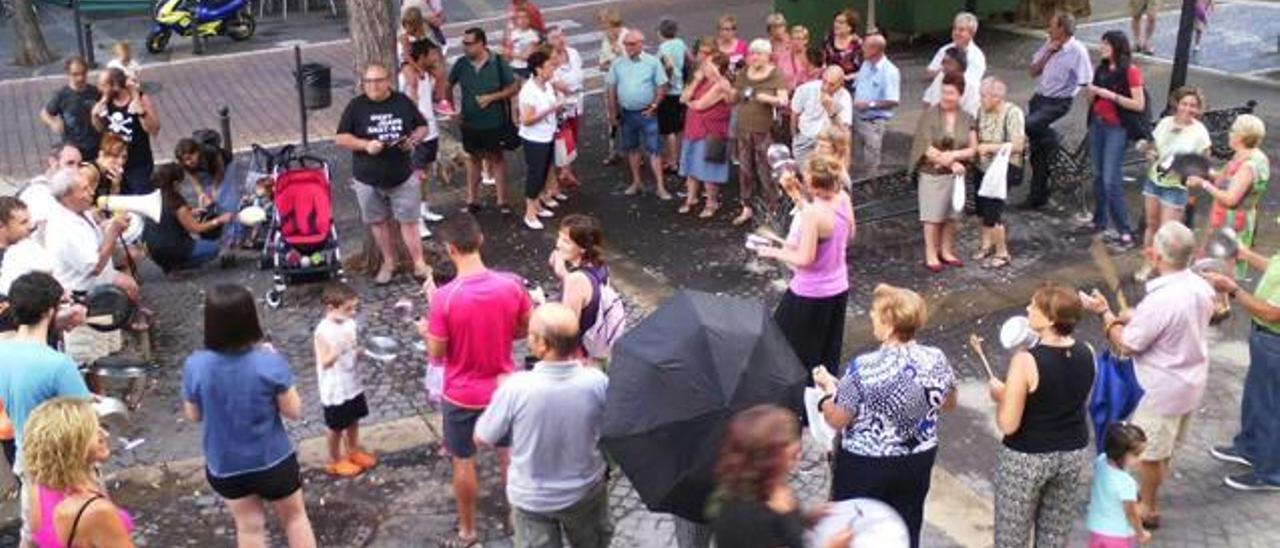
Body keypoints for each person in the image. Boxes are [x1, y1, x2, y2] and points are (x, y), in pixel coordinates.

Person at [1080, 221, 1216, 529]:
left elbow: (1126, 345)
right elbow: (1168, 325)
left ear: (1156, 256)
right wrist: (1135, 317)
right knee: (1163, 448)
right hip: (1189, 381)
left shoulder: (1162, 300)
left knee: (1151, 454)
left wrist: (1106, 315)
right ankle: (1146, 496)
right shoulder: (1200, 286)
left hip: (1160, 389)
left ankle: (1149, 507)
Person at [815, 283, 956, 548]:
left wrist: (826, 396)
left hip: (866, 464)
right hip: (917, 459)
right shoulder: (936, 358)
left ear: (890, 326)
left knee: (857, 531)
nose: (870, 315)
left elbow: (837, 419)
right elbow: (948, 403)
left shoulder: (863, 367)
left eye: (875, 312)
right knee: (905, 527)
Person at [422, 213, 533, 546]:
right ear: (480, 240)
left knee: (463, 459)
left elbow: (438, 353)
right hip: (503, 386)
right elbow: (524, 328)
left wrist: (428, 330)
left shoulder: (445, 297)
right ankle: (517, 519)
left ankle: (468, 531)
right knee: (509, 455)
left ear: (451, 249)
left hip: (461, 394)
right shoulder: (511, 285)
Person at [181, 284, 316, 548]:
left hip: (225, 466)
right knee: (295, 519)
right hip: (272, 460)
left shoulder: (195, 365)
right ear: (250, 319)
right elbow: (294, 410)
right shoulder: (268, 362)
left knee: (249, 528)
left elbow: (193, 415)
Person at [475, 303, 612, 548]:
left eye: (530, 335)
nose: (527, 339)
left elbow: (484, 436)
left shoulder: (516, 387)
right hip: (585, 490)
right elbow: (611, 423)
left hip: (532, 500)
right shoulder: (597, 382)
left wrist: (502, 397)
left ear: (543, 345)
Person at [988, 284, 1095, 548]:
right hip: (1072, 451)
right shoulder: (1088, 351)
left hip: (1027, 456)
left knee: (1012, 536)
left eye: (1033, 306)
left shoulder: (1026, 361)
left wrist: (1001, 397)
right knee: (1054, 537)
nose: (1027, 309)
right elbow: (1074, 398)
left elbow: (1009, 424)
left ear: (1049, 319)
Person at [755, 156, 854, 382]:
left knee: (782, 347)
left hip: (810, 293)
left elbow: (804, 258)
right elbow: (844, 233)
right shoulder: (842, 198)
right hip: (838, 288)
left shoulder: (813, 215)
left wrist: (773, 252)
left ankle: (794, 403)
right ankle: (821, 399)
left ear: (814, 186)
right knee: (824, 352)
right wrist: (796, 195)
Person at [335, 63, 431, 285]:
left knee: (409, 221)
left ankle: (418, 262)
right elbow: (340, 138)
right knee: (377, 222)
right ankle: (388, 262)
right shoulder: (356, 106)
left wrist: (414, 140)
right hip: (367, 177)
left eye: (378, 80)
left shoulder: (402, 102)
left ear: (388, 81)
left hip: (402, 174)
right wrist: (365, 145)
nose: (373, 86)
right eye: (368, 81)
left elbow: (422, 127)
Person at [711, 404, 854, 548]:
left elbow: (782, 530)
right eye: (792, 455)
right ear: (769, 460)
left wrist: (806, 520)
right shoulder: (748, 517)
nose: (798, 458)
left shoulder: (771, 487)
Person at [1200, 244, 1280, 491]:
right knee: (1256, 398)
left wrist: (1233, 290)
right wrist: (1246, 254)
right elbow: (1275, 266)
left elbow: (1272, 313)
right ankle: (1250, 447)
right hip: (1265, 339)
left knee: (1271, 408)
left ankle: (1271, 473)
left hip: (1274, 339)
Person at [0, 272, 91, 471]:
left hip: (25, 460)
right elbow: (86, 418)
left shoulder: (3, 352)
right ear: (50, 312)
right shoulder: (57, 364)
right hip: (61, 464)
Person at [22, 397, 135, 548]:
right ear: (73, 445)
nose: (105, 434)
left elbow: (31, 541)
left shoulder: (38, 488)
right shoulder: (95, 511)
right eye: (94, 431)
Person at [1137, 87, 1210, 281]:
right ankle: (1148, 263)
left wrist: (1187, 172)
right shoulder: (1165, 123)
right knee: (1151, 225)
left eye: (1193, 105)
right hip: (1154, 181)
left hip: (1176, 187)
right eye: (1184, 103)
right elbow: (1153, 146)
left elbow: (1204, 164)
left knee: (1168, 232)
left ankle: (1166, 271)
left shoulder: (1199, 132)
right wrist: (1150, 152)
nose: (1188, 108)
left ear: (1198, 109)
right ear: (1176, 104)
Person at [1022, 12, 1093, 210]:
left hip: (1058, 102)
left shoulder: (1077, 51)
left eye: (1052, 25)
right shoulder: (1049, 43)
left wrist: (1092, 113)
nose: (1048, 27)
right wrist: (1048, 53)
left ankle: (1051, 140)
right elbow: (1032, 72)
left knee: (1027, 125)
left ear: (1062, 29)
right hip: (1040, 99)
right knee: (1038, 149)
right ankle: (1038, 195)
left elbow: (1087, 81)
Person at [1187, 114, 1269, 279]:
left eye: (1233, 130)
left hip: (1232, 222)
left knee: (1220, 269)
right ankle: (1221, 302)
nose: (1229, 133)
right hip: (1230, 219)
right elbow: (1222, 178)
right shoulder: (1251, 156)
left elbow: (1230, 198)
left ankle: (1219, 301)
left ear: (1241, 136)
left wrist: (1203, 184)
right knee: (1217, 265)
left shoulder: (1248, 166)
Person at [909, 73, 977, 273]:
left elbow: (972, 148)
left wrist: (953, 157)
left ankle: (946, 250)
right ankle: (931, 252)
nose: (946, 96)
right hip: (932, 173)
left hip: (955, 176)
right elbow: (925, 147)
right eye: (944, 92)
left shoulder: (967, 117)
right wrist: (949, 162)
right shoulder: (930, 114)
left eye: (951, 93)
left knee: (951, 215)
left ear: (960, 95)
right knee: (932, 216)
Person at [1087, 30, 1146, 251]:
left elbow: (1138, 104)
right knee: (1098, 174)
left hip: (1117, 128)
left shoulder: (1130, 71)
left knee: (1111, 179)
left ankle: (1124, 229)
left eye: (1105, 45)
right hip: (1098, 124)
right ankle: (1099, 219)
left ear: (1116, 47)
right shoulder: (1101, 69)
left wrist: (1109, 94)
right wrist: (1092, 94)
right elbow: (1091, 99)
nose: (1101, 48)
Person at [450, 28, 519, 214]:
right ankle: (472, 199)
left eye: (469, 44)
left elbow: (513, 87)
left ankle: (502, 200)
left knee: (496, 158)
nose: (465, 47)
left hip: (494, 122)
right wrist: (451, 109)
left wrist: (492, 97)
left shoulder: (497, 62)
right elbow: (447, 84)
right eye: (464, 43)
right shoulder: (461, 64)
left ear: (481, 43)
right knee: (473, 158)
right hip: (470, 122)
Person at [44, 163, 139, 300]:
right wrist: (112, 233)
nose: (92, 192)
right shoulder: (64, 227)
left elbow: (92, 239)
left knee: (130, 281)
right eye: (84, 189)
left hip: (97, 277)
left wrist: (108, 226)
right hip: (82, 290)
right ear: (67, 197)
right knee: (128, 286)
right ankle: (127, 317)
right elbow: (94, 268)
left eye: (89, 187)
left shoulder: (81, 210)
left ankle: (132, 315)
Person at [313, 282, 376, 478]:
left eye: (355, 308)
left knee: (354, 418)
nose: (353, 312)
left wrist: (362, 351)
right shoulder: (322, 331)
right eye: (348, 309)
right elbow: (325, 362)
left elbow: (353, 348)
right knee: (335, 426)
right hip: (335, 387)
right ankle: (334, 459)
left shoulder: (350, 323)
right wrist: (339, 349)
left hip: (352, 382)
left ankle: (353, 450)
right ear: (331, 308)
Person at [728, 39, 788, 225]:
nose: (755, 57)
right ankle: (746, 206)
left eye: (759, 53)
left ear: (768, 55)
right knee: (745, 168)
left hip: (764, 129)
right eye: (752, 53)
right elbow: (733, 97)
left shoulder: (775, 74)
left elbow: (784, 100)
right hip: (744, 128)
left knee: (765, 169)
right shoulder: (744, 73)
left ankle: (772, 208)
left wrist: (768, 99)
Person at [607, 30, 672, 200]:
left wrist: (654, 105)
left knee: (654, 150)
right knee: (631, 149)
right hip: (627, 113)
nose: (629, 47)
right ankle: (637, 182)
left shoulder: (652, 62)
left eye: (632, 44)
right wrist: (612, 112)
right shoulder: (618, 64)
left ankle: (660, 186)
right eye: (626, 44)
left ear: (641, 43)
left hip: (647, 113)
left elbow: (662, 86)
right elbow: (611, 88)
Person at [972, 76, 1025, 269]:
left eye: (983, 96)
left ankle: (1002, 252)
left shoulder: (1013, 113)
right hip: (983, 166)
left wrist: (990, 148)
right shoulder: (981, 110)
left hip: (1004, 166)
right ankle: (986, 245)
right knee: (980, 208)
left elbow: (1018, 145)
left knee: (993, 210)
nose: (980, 99)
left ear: (997, 97)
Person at [142, 165, 229, 273]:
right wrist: (219, 220)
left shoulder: (153, 197)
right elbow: (195, 228)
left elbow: (166, 215)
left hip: (152, 250)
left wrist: (190, 212)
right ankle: (180, 264)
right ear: (175, 184)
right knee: (215, 248)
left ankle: (169, 264)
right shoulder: (176, 203)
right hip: (172, 249)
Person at [400, 39, 448, 237]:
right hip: (417, 133)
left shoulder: (425, 74)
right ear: (422, 55)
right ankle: (416, 220)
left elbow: (436, 97)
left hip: (431, 131)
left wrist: (440, 76)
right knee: (416, 177)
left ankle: (424, 209)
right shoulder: (407, 75)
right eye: (432, 54)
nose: (436, 57)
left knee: (425, 174)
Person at [678, 51, 733, 219]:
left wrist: (689, 102)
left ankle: (711, 202)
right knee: (691, 168)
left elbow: (700, 105)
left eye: (707, 63)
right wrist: (695, 80)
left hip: (712, 132)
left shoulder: (721, 85)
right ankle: (691, 198)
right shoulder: (702, 81)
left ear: (716, 67)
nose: (703, 66)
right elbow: (683, 98)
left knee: (709, 171)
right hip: (693, 130)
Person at [90, 67, 159, 195]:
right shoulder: (105, 100)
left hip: (138, 164)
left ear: (115, 85)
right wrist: (94, 116)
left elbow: (154, 129)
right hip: (115, 164)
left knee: (140, 201)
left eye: (103, 85)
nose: (99, 88)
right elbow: (100, 129)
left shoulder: (140, 99)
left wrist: (142, 113)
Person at [547, 214, 608, 357]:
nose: (558, 244)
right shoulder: (601, 265)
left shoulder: (576, 280)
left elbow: (567, 330)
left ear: (582, 248)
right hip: (598, 343)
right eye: (559, 238)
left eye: (566, 242)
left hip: (578, 354)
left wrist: (543, 304)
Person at [517, 51, 563, 230]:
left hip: (547, 134)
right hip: (534, 138)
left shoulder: (548, 86)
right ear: (538, 69)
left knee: (544, 171)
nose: (552, 69)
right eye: (549, 66)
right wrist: (552, 109)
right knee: (535, 174)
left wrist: (556, 108)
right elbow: (526, 119)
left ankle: (537, 204)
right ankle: (529, 212)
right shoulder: (529, 91)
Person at [1087, 423, 1153, 546]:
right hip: (1118, 535)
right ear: (1119, 453)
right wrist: (1141, 533)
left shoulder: (1101, 461)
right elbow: (1131, 513)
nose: (1141, 459)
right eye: (1136, 454)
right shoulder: (1126, 483)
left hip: (1096, 529)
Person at [852, 34, 899, 173]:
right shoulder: (866, 64)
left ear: (874, 50)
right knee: (856, 157)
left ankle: (871, 185)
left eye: (865, 47)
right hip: (858, 117)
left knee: (871, 159)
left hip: (874, 121)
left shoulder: (890, 71)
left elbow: (893, 100)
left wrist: (868, 105)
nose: (862, 49)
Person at [40, 57, 102, 161]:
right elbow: (44, 113)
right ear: (68, 74)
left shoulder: (94, 91)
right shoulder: (62, 95)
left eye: (83, 73)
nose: (80, 78)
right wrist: (53, 123)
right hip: (74, 147)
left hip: (95, 144)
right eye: (75, 74)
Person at [923, 12, 985, 116]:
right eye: (954, 29)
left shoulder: (977, 57)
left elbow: (968, 85)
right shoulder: (945, 50)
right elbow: (928, 73)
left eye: (961, 30)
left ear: (972, 33)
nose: (956, 33)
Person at [790, 66, 852, 167]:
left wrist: (831, 112)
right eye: (824, 82)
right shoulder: (806, 89)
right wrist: (795, 138)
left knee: (822, 178)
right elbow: (794, 116)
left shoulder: (844, 97)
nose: (826, 87)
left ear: (841, 85)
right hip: (805, 140)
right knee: (808, 176)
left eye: (831, 85)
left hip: (827, 143)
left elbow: (844, 131)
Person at [549, 26, 585, 190]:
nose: (560, 39)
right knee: (563, 138)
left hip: (575, 102)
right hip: (559, 106)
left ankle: (566, 171)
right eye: (555, 37)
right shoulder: (550, 60)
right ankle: (562, 173)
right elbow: (553, 82)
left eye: (561, 35)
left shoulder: (574, 53)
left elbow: (579, 74)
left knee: (573, 137)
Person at [597, 8, 630, 165]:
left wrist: (618, 57)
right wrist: (608, 64)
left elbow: (632, 61)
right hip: (610, 85)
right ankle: (613, 151)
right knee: (611, 118)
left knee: (628, 118)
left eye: (604, 24)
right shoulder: (605, 39)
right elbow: (601, 64)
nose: (603, 29)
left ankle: (631, 151)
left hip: (626, 86)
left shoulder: (627, 37)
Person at [657, 18, 689, 174]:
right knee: (679, 127)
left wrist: (667, 80)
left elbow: (668, 65)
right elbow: (690, 59)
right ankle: (681, 158)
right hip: (681, 89)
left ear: (660, 32)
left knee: (668, 128)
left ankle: (672, 161)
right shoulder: (680, 43)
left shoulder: (663, 47)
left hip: (670, 92)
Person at [923, 47, 979, 118]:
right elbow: (927, 101)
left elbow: (971, 116)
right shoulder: (940, 77)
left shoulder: (971, 85)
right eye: (943, 62)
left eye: (949, 63)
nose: (944, 67)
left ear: (961, 66)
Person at [822, 9, 862, 93]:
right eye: (836, 21)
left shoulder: (858, 44)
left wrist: (844, 79)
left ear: (850, 27)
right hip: (829, 81)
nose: (836, 25)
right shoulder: (828, 38)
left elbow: (863, 70)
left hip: (850, 84)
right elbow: (824, 61)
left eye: (841, 22)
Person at [504, 7, 542, 80]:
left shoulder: (533, 35)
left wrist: (510, 53)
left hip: (526, 69)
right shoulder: (513, 33)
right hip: (513, 67)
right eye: (519, 18)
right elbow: (507, 51)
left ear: (529, 19)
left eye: (525, 17)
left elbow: (526, 57)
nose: (522, 20)